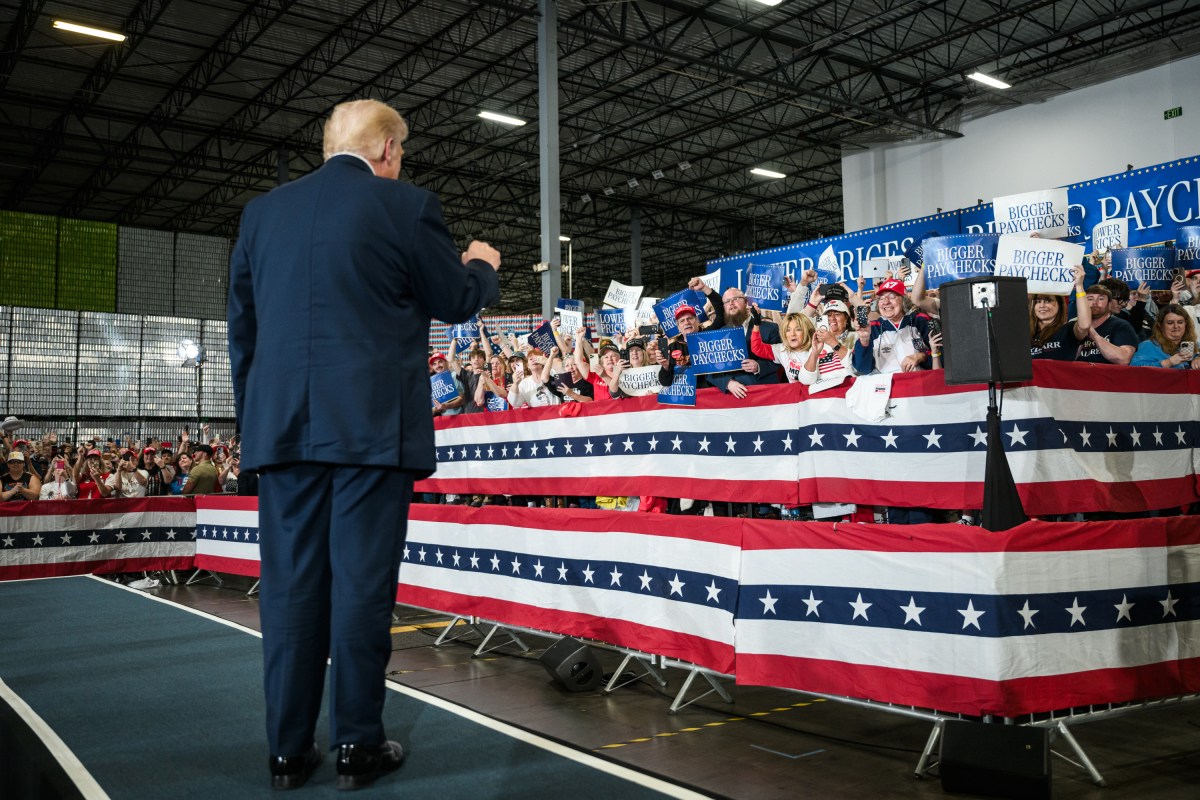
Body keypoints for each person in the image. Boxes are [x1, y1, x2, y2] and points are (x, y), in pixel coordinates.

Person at [227, 98, 500, 790]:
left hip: (284, 432)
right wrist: (481, 264)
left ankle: (287, 753)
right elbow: (454, 298)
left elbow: (244, 337)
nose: (400, 162)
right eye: (400, 150)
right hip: (373, 433)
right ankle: (357, 744)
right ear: (384, 149)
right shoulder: (405, 206)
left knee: (288, 592)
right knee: (360, 589)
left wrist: (258, 425)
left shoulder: (261, 215)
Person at [851, 278, 933, 375]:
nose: (886, 302)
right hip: (886, 386)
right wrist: (864, 340)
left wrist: (921, 356)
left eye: (892, 296)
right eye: (881, 298)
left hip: (919, 382)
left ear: (904, 299)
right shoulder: (872, 328)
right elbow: (863, 369)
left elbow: (943, 356)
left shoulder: (921, 321)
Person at [1029, 264, 1091, 360]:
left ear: (1059, 305)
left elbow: (1085, 325)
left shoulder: (1068, 330)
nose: (1042, 305)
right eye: (1037, 301)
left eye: (1048, 300)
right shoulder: (1025, 334)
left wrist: (1079, 285)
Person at [1074, 284, 1138, 365]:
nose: (1095, 303)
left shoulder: (1121, 326)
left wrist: (1094, 334)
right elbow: (1064, 358)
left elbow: (1123, 359)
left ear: (1109, 303)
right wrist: (1081, 331)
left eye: (1101, 299)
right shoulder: (1073, 325)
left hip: (1107, 376)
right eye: (1090, 299)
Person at [1132, 304, 1200, 369]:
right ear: (1160, 325)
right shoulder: (1149, 345)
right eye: (1170, 323)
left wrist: (1198, 358)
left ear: (1186, 323)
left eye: (1180, 322)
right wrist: (1168, 362)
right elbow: (1134, 369)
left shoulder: (1190, 345)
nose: (1176, 326)